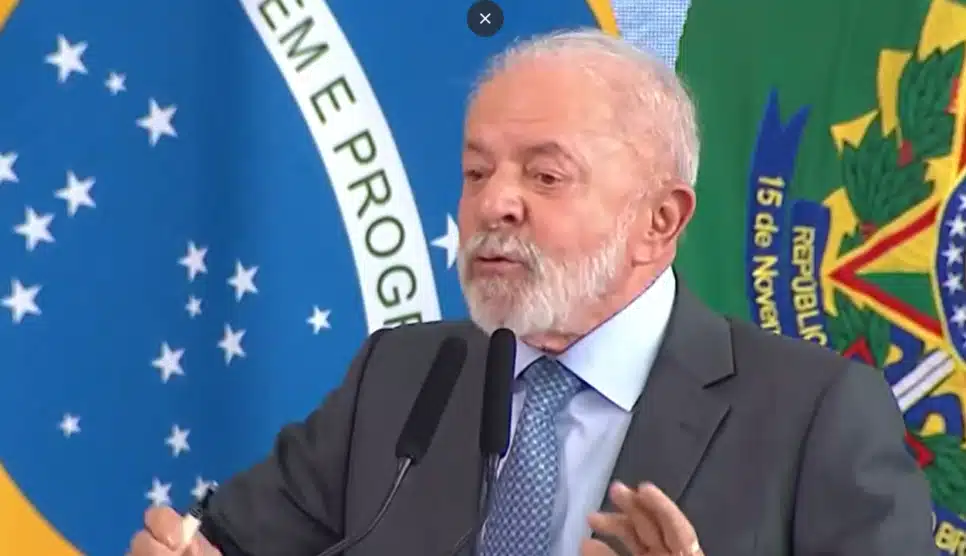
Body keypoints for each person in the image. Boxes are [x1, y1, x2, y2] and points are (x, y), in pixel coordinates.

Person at [128, 28, 935, 556]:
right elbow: (229, 541)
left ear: (659, 221)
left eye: (545, 176)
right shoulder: (403, 377)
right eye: (476, 172)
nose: (495, 204)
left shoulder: (814, 414)